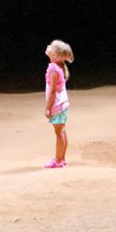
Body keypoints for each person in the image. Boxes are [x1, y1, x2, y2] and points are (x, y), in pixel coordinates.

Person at [43, 39, 74, 168]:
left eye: (51, 47)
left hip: (57, 105)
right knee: (61, 130)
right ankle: (61, 158)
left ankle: (58, 160)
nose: (48, 46)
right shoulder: (58, 67)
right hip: (63, 104)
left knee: (59, 132)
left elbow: (53, 91)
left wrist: (47, 108)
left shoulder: (54, 70)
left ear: (55, 54)